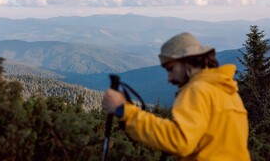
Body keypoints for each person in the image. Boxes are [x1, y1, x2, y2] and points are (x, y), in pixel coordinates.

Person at [102, 32, 250, 160]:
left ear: (187, 62)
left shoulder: (198, 90)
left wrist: (124, 111)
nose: (169, 78)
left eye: (171, 68)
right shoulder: (228, 91)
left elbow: (179, 140)